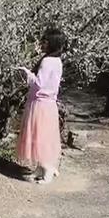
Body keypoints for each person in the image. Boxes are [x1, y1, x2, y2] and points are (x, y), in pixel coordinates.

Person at [15, 27, 67, 184]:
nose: (42, 44)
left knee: (39, 136)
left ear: (51, 43)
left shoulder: (46, 61)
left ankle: (47, 171)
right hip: (49, 104)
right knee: (44, 136)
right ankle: (41, 167)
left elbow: (39, 84)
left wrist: (27, 74)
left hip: (40, 104)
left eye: (44, 41)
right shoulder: (57, 61)